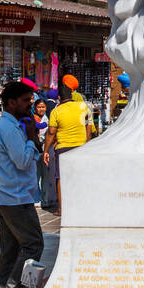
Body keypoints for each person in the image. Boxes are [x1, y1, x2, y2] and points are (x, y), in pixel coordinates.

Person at [0, 81, 44, 288]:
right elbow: (22, 162)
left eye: (31, 100)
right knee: (33, 245)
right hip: (15, 198)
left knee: (10, 251)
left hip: (6, 195)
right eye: (25, 100)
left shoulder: (5, 125)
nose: (30, 104)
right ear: (11, 102)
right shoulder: (9, 128)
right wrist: (31, 139)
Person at [43, 75, 93, 214]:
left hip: (63, 149)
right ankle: (82, 204)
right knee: (81, 177)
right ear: (72, 94)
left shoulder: (56, 111)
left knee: (61, 178)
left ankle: (61, 209)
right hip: (81, 147)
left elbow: (51, 133)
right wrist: (87, 141)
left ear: (59, 97)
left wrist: (46, 150)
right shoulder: (83, 107)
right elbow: (89, 123)